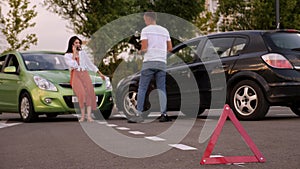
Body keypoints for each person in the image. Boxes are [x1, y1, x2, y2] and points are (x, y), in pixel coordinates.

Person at [128, 11, 173, 123]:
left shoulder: (146, 30)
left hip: (149, 62)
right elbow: (170, 49)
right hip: (161, 62)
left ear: (148, 18)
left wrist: (139, 52)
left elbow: (145, 48)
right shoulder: (164, 31)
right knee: (161, 88)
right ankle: (164, 114)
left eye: (145, 19)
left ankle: (139, 114)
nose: (145, 21)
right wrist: (161, 54)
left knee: (142, 88)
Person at [64, 36, 105, 122]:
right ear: (72, 44)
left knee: (89, 93)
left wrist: (100, 73)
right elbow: (73, 65)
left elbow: (90, 64)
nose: (78, 44)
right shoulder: (67, 55)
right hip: (75, 74)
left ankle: (89, 116)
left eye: (79, 43)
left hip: (84, 73)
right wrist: (74, 53)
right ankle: (82, 116)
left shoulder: (83, 53)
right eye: (76, 43)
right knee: (81, 94)